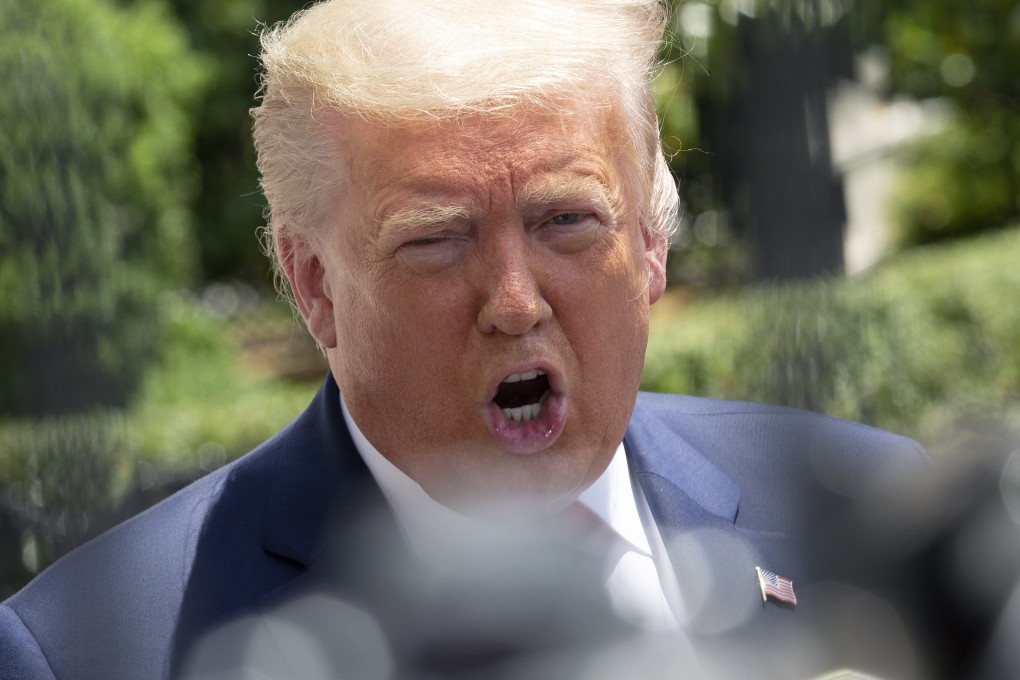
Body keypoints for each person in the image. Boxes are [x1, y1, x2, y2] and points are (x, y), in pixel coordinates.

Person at [0, 1, 933, 678]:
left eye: (567, 219)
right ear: (313, 284)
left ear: (650, 242)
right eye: (436, 240)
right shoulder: (92, 648)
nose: (516, 302)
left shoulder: (876, 512)